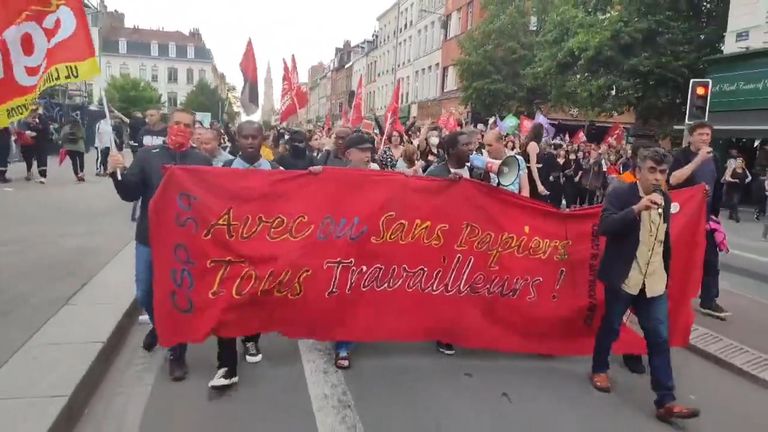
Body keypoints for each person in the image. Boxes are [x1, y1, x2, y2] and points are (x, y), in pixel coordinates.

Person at [590, 146, 700, 423]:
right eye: (652, 170)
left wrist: (665, 271)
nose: (657, 177)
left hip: (653, 282)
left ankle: (666, 401)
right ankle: (599, 368)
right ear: (638, 171)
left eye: (662, 172)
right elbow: (605, 226)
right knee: (612, 325)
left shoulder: (664, 196)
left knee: (659, 338)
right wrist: (636, 209)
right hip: (625, 278)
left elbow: (662, 240)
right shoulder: (621, 192)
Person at [107, 108, 211, 382]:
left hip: (184, 245)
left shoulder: (201, 160)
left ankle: (177, 353)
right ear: (168, 126)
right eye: (177, 123)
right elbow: (130, 193)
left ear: (193, 129)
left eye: (187, 125)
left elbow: (212, 200)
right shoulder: (146, 157)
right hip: (149, 238)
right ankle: (159, 325)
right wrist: (115, 172)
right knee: (144, 293)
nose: (182, 129)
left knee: (178, 299)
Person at [209, 121, 279, 389]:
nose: (250, 141)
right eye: (245, 137)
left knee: (254, 299)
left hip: (263, 248)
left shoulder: (275, 171)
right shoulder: (221, 171)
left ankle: (251, 338)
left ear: (263, 138)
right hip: (229, 248)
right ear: (236, 139)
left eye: (255, 137)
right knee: (225, 302)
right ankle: (226, 365)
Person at [668, 122, 729, 319]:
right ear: (691, 137)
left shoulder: (715, 158)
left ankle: (709, 300)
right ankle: (668, 296)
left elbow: (717, 185)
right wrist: (698, 160)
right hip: (684, 218)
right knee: (677, 258)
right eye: (701, 134)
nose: (705, 138)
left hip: (706, 217)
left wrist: (715, 213)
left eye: (708, 135)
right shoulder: (681, 156)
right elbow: (673, 180)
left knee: (711, 260)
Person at [483, 129, 529, 196]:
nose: (486, 149)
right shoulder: (483, 162)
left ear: (501, 142)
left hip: (512, 203)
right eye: (485, 145)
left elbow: (525, 189)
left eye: (490, 145)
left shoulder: (518, 160)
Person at [522, 123, 549, 202]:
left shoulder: (532, 144)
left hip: (536, 176)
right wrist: (539, 184)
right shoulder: (533, 145)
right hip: (533, 179)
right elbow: (533, 166)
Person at [18, 112, 48, 184]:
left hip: (42, 142)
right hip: (35, 143)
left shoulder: (42, 120)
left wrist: (34, 128)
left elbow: (41, 128)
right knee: (38, 159)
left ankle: (43, 177)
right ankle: (41, 176)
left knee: (42, 158)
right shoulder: (30, 121)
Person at [723, 157, 751, 223]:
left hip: (739, 188)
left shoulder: (744, 170)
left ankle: (736, 215)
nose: (739, 163)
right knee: (731, 201)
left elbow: (749, 177)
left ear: (742, 164)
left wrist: (746, 181)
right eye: (737, 162)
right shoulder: (732, 169)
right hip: (731, 187)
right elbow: (727, 177)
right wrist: (733, 180)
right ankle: (731, 214)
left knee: (735, 201)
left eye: (740, 162)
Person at [60, 117, 86, 182]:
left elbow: (61, 137)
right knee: (81, 160)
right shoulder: (80, 127)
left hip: (69, 148)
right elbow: (84, 136)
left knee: (74, 161)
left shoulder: (65, 128)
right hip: (79, 147)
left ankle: (76, 174)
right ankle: (81, 173)